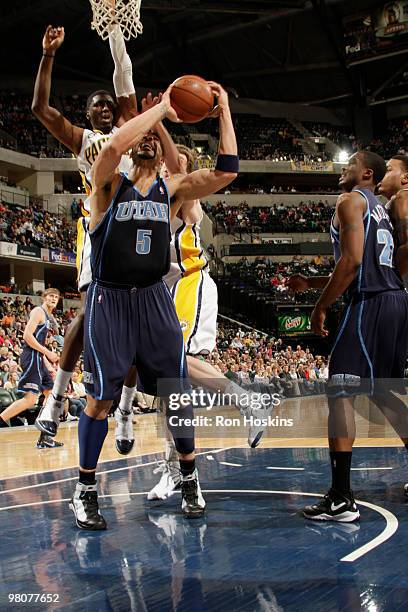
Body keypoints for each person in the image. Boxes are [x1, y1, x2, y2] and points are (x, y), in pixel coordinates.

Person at [69, 81, 239, 530]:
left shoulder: (173, 189)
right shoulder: (106, 183)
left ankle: (189, 478)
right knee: (100, 400)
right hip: (110, 300)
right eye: (138, 139)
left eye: (152, 141)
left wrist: (223, 112)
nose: (145, 141)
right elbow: (116, 143)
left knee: (176, 395)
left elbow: (226, 171)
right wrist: (160, 110)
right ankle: (85, 490)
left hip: (153, 300)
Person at [33, 25, 180, 442]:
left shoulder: (136, 134)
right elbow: (41, 107)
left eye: (107, 105)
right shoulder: (89, 144)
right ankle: (58, 397)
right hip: (102, 229)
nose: (103, 109)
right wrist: (48, 56)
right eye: (95, 106)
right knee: (89, 310)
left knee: (137, 329)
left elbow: (124, 75)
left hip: (143, 231)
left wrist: (116, 33)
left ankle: (127, 411)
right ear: (88, 115)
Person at [146, 144, 274, 501]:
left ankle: (248, 401)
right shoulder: (152, 195)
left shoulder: (187, 195)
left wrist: (158, 125)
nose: (169, 168)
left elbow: (182, 180)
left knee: (177, 363)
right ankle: (173, 470)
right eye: (167, 164)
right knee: (165, 386)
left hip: (191, 282)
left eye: (177, 164)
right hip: (163, 292)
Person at [289, 151, 408, 522]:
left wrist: (320, 305)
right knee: (385, 394)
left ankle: (341, 497)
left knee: (339, 390)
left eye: (350, 164)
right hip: (396, 301)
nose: (343, 169)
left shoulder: (349, 200)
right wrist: (312, 283)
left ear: (366, 173)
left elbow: (354, 261)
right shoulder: (382, 210)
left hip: (369, 304)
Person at [0, 289, 63, 449]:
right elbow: (27, 336)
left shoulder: (49, 317)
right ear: (44, 297)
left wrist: (47, 365)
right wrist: (48, 352)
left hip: (38, 359)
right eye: (51, 296)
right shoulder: (38, 311)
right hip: (31, 356)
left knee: (52, 396)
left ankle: (45, 437)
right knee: (30, 400)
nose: (53, 299)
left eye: (56, 297)